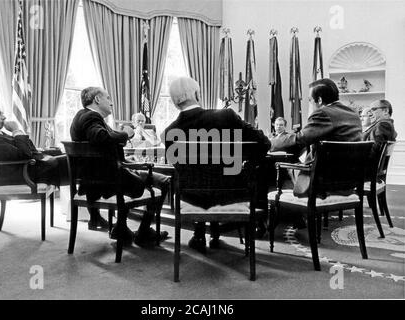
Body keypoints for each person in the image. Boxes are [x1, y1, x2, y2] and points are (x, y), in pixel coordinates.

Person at [163, 77, 271, 253]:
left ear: (175, 103)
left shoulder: (169, 132)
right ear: (197, 94)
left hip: (192, 197)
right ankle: (215, 234)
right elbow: (264, 143)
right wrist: (245, 163)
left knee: (203, 179)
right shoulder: (225, 116)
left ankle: (199, 234)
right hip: (232, 193)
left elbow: (182, 168)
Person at [70, 87, 170, 247]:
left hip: (99, 178)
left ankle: (121, 227)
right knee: (164, 181)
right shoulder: (91, 117)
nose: (111, 102)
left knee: (136, 172)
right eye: (108, 98)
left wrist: (123, 157)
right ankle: (143, 231)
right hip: (108, 180)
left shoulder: (82, 116)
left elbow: (101, 146)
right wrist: (126, 133)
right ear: (97, 100)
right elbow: (100, 137)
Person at [271, 78, 363, 198]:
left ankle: (293, 212)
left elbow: (300, 139)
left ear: (319, 100)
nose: (310, 104)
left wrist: (271, 142)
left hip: (324, 182)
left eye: (310, 100)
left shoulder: (323, 113)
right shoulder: (353, 114)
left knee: (277, 174)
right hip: (349, 180)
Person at [0, 102, 68, 188]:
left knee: (69, 156)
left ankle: (80, 193)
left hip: (28, 169)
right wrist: (16, 130)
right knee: (75, 161)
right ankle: (79, 196)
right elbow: (25, 153)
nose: (4, 117)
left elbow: (30, 148)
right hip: (22, 175)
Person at [363, 99, 397, 174]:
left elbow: (375, 151)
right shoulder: (382, 124)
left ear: (385, 111)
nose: (369, 114)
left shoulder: (383, 125)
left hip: (367, 168)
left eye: (373, 109)